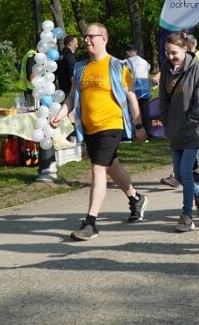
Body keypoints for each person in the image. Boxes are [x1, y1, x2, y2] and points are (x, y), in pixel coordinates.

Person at [50, 23, 148, 241]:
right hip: (89, 128)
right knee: (111, 167)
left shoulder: (117, 65)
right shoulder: (80, 67)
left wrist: (139, 125)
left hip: (111, 125)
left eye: (91, 36)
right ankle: (136, 198)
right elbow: (72, 96)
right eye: (85, 37)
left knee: (98, 170)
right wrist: (62, 114)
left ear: (104, 38)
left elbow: (131, 96)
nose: (86, 40)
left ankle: (91, 223)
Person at [159, 32, 199, 232]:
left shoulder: (196, 68)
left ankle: (186, 215)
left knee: (186, 172)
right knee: (179, 175)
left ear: (185, 49)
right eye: (167, 53)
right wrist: (166, 119)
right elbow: (163, 97)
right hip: (174, 129)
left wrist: (192, 121)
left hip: (193, 130)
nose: (170, 57)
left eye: (174, 53)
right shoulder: (166, 68)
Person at [125, 44, 152, 135]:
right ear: (136, 51)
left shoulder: (126, 62)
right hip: (145, 91)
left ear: (128, 52)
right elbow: (148, 73)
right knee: (145, 113)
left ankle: (132, 133)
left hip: (132, 91)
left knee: (133, 112)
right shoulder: (145, 62)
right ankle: (148, 133)